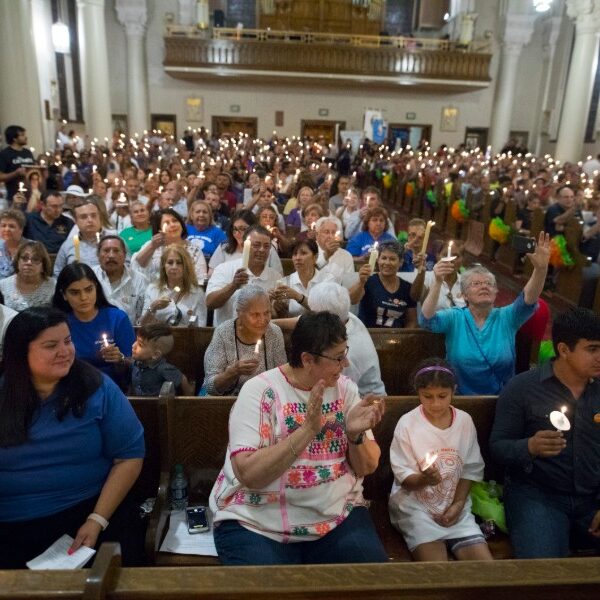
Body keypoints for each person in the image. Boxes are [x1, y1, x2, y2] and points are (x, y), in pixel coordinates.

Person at [209, 311, 388, 565]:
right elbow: (249, 474)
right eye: (338, 358)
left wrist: (355, 435)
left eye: (344, 353)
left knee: (373, 579)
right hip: (258, 519)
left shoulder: (345, 389)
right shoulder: (260, 391)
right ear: (307, 359)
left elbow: (367, 466)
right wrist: (306, 432)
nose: (345, 364)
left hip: (334, 515)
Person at [0, 307, 145, 568]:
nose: (65, 351)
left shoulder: (95, 386)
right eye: (51, 345)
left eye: (68, 341)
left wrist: (96, 520)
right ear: (21, 353)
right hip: (11, 519)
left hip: (89, 508)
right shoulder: (4, 394)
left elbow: (129, 456)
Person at [490, 307, 600, 559]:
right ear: (563, 350)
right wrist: (529, 447)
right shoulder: (523, 388)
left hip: (591, 497)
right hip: (538, 496)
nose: (599, 356)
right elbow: (497, 446)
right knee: (542, 568)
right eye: (592, 349)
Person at [419, 232, 551, 395]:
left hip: (500, 399)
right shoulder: (455, 317)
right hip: (461, 399)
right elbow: (426, 319)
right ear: (464, 294)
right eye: (476, 283)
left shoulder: (506, 317)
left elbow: (528, 299)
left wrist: (541, 269)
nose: (484, 286)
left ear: (496, 292)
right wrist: (438, 282)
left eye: (489, 284)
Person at [389, 358, 492, 562]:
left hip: (454, 504)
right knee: (437, 570)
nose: (435, 404)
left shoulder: (464, 421)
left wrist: (459, 503)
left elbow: (470, 469)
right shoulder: (408, 424)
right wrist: (425, 479)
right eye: (427, 396)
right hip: (416, 508)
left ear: (454, 391)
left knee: (485, 571)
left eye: (442, 396)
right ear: (418, 393)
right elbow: (404, 477)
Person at [52, 263, 135, 387]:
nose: (84, 297)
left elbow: (136, 363)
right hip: (72, 387)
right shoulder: (58, 324)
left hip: (113, 387)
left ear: (96, 288)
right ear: (64, 295)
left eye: (89, 289)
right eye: (75, 293)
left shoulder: (117, 318)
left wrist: (120, 359)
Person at [202, 285, 286, 395]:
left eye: (267, 313)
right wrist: (233, 372)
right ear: (239, 313)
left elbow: (282, 376)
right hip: (227, 401)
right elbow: (210, 386)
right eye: (255, 315)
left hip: (263, 399)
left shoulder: (274, 332)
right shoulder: (223, 333)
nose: (262, 320)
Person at [308, 282, 386, 396]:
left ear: (326, 318)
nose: (311, 317)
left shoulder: (347, 351)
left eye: (313, 313)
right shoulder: (344, 315)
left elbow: (336, 391)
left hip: (366, 404)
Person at [206, 225, 281, 326]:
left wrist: (276, 306)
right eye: (256, 245)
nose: (262, 250)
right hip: (227, 335)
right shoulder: (224, 269)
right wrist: (233, 285)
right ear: (244, 246)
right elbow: (210, 303)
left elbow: (278, 316)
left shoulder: (276, 277)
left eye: (266, 246)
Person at [132, 208, 208, 283]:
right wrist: (153, 246)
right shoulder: (152, 245)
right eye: (167, 223)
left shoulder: (194, 250)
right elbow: (139, 264)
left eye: (175, 221)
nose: (172, 225)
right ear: (159, 229)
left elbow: (201, 279)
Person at [140, 244, 207, 327]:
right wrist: (153, 308)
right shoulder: (152, 289)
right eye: (170, 262)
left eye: (179, 263)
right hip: (157, 338)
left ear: (186, 266)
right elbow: (142, 326)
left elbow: (201, 328)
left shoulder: (198, 293)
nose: (174, 267)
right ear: (163, 266)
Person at [356, 240, 417, 328]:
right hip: (367, 336)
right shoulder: (367, 281)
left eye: (392, 259)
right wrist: (361, 282)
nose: (387, 263)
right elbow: (352, 299)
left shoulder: (407, 288)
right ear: (378, 260)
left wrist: (406, 339)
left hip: (397, 339)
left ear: (400, 262)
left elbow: (411, 321)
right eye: (384, 258)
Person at [209, 209, 282, 275]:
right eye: (235, 229)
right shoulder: (224, 247)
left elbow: (278, 276)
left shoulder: (267, 248)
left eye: (243, 229)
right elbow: (211, 274)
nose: (237, 233)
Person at [53, 200, 116, 276]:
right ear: (76, 221)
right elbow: (57, 273)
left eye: (93, 215)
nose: (90, 220)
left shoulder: (115, 241)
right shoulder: (68, 245)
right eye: (84, 217)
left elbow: (127, 268)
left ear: (100, 217)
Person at [93, 236, 145, 325]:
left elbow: (141, 316)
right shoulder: (90, 276)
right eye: (106, 250)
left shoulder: (139, 280)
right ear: (98, 255)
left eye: (116, 251)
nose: (111, 255)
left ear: (125, 255)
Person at [131, 323, 194, 396]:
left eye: (140, 345)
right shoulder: (136, 363)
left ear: (155, 354)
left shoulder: (163, 369)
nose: (133, 346)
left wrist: (187, 400)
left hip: (155, 406)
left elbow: (182, 379)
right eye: (136, 341)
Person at [0, 242, 55, 311]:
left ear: (43, 266)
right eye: (24, 258)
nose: (29, 262)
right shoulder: (2, 285)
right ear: (17, 262)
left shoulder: (53, 286)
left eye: (35, 259)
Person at [0, 125, 35, 203]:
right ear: (14, 138)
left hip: (31, 195)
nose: (26, 137)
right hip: (15, 196)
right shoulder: (4, 154)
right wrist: (15, 173)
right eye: (22, 135)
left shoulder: (28, 152)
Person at [0, 209, 27, 279]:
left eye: (11, 226)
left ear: (21, 229)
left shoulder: (33, 247)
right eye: (3, 225)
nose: (6, 229)